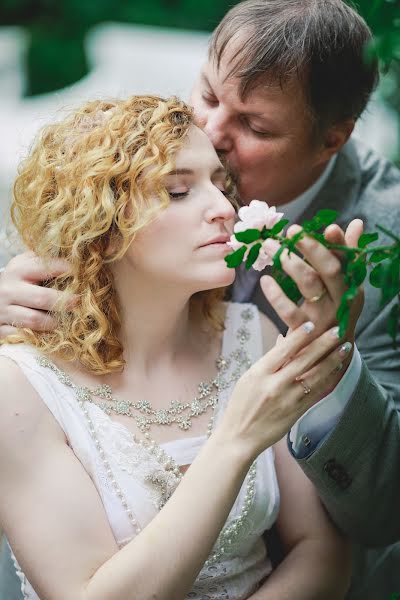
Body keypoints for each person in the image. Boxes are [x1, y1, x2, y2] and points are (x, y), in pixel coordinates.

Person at [0, 0, 399, 597]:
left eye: (256, 128)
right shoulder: (150, 146)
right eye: (208, 95)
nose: (211, 134)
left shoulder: (380, 242)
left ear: (330, 141)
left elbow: (372, 517)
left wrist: (326, 355)